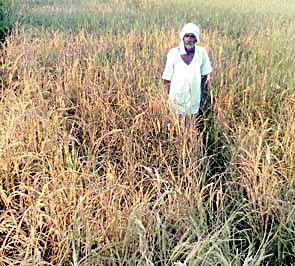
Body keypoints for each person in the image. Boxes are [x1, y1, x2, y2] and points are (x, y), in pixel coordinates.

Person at [162, 23, 213, 129]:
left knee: (190, 127)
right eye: (187, 36)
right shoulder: (173, 53)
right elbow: (167, 79)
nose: (189, 39)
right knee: (175, 127)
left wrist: (201, 93)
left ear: (196, 39)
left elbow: (205, 75)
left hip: (194, 98)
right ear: (182, 37)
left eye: (192, 36)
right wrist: (169, 97)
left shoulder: (201, 53)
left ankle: (190, 143)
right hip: (176, 98)